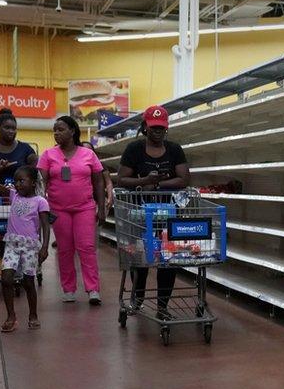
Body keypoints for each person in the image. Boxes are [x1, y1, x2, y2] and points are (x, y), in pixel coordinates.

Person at [115, 106, 190, 318]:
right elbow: (122, 179)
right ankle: (138, 299)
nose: (158, 131)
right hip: (140, 213)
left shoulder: (175, 149)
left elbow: (184, 179)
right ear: (145, 127)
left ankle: (162, 306)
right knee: (140, 259)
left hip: (169, 213)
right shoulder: (134, 149)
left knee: (167, 260)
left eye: (162, 128)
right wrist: (145, 181)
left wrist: (157, 186)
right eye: (153, 127)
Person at [37, 116, 107, 304]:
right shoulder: (48, 155)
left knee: (87, 248)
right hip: (58, 209)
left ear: (72, 131)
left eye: (60, 129)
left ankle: (93, 289)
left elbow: (98, 181)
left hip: (84, 208)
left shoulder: (88, 154)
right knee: (65, 250)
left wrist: (101, 207)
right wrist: (40, 206)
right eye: (55, 130)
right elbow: (40, 183)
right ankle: (68, 289)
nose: (56, 133)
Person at [0, 164, 50, 332]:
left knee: (28, 282)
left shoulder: (40, 201)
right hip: (12, 244)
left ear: (33, 183)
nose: (17, 184)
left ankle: (33, 315)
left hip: (30, 246)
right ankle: (11, 316)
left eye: (22, 181)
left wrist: (44, 247)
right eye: (16, 181)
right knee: (6, 278)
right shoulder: (13, 195)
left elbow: (45, 226)